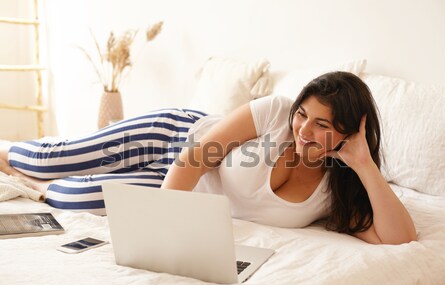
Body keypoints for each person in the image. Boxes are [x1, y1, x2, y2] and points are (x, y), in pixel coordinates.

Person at [0, 71, 417, 245]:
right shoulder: (276, 111)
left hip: (193, 193)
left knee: (75, 200)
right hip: (176, 140)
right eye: (303, 115)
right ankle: (12, 157)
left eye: (323, 126)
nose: (304, 130)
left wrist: (363, 164)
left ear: (350, 131)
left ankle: (33, 186)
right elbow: (195, 158)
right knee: (50, 158)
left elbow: (399, 238)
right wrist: (159, 227)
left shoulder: (337, 191)